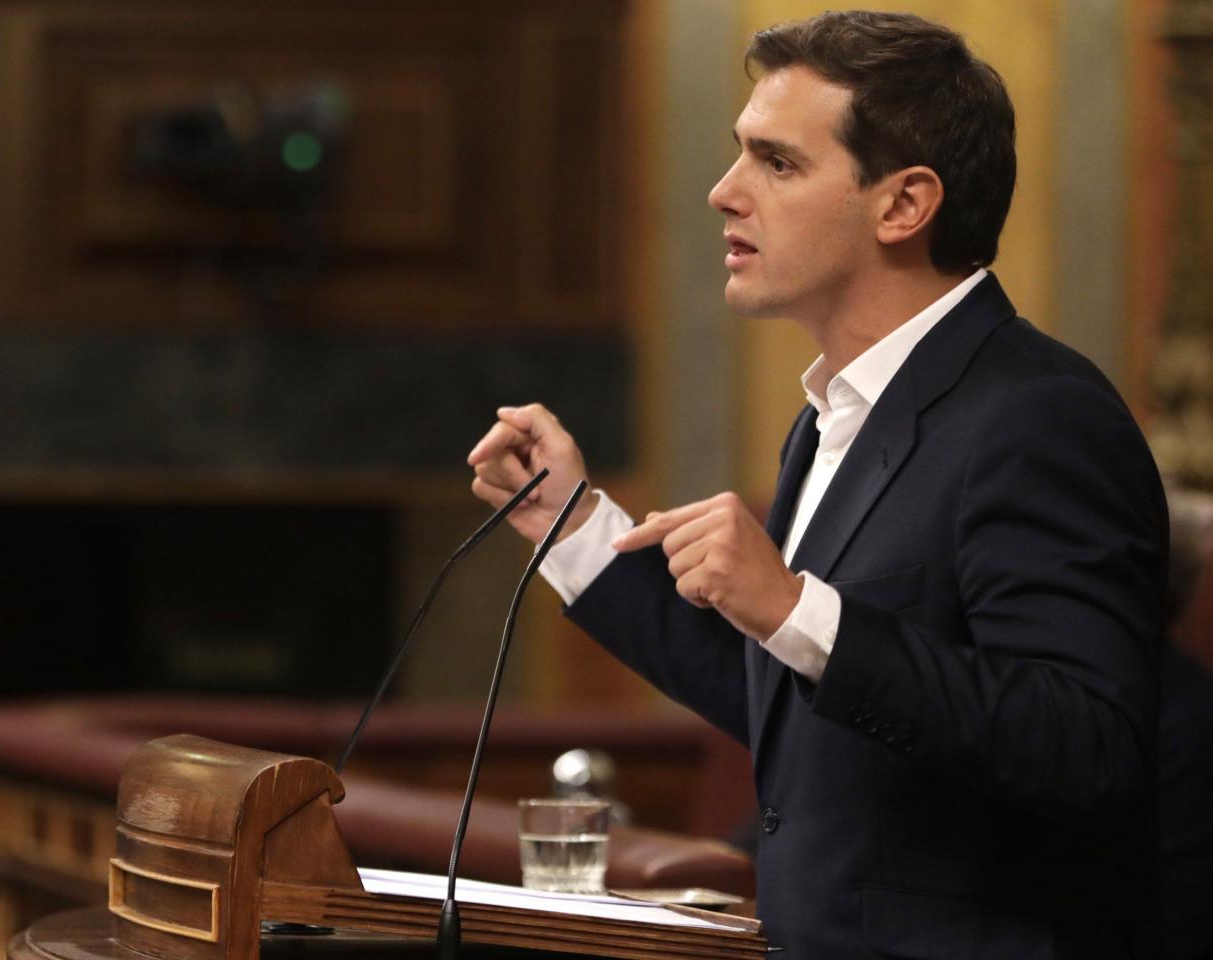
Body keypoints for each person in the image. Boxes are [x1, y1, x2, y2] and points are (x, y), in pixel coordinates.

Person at [467, 11, 1166, 959]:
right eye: (736, 156)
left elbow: (1084, 745)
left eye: (777, 163)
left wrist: (799, 608)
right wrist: (573, 523)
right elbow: (796, 703)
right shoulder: (832, 417)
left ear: (903, 204)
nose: (723, 192)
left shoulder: (1039, 415)